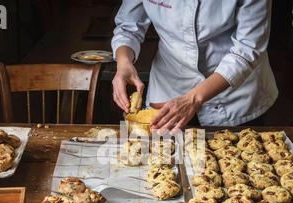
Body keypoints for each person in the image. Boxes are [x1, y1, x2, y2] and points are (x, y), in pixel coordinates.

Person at [111, 0, 278, 133]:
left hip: (233, 97)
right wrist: (124, 62)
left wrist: (194, 98)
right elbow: (128, 27)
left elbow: (247, 48)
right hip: (168, 89)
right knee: (161, 167)